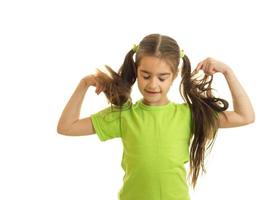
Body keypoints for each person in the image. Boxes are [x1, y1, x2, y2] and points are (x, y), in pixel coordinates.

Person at [57, 33, 255, 200]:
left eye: (162, 77)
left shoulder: (189, 115)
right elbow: (66, 127)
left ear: (175, 75)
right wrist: (84, 84)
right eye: (145, 75)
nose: (153, 85)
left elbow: (244, 116)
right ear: (136, 71)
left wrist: (228, 72)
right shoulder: (124, 115)